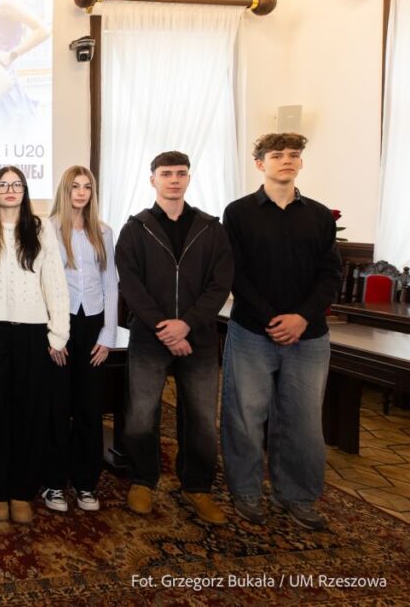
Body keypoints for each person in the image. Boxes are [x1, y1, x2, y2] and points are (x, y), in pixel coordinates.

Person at [221, 133, 341, 530]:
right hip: (253, 331)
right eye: (277, 155)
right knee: (244, 416)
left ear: (301, 163)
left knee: (303, 421)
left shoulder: (321, 216)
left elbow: (330, 275)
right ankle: (246, 492)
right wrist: (273, 318)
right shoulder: (238, 213)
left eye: (294, 155)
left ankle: (298, 496)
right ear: (260, 164)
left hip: (308, 336)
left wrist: (302, 317)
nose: (286, 161)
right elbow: (235, 272)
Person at [114, 151, 233, 525]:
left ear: (188, 178)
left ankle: (197, 487)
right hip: (150, 337)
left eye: (181, 173)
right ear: (153, 179)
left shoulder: (211, 228)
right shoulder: (136, 228)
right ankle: (142, 480)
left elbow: (220, 284)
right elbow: (130, 285)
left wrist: (188, 325)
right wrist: (165, 326)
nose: (174, 180)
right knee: (141, 414)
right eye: (166, 173)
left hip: (198, 338)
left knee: (199, 416)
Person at [0, 167, 69, 525]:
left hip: (32, 332)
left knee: (29, 413)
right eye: (3, 185)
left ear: (25, 190)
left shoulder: (41, 228)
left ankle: (21, 491)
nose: (10, 190)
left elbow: (55, 283)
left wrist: (58, 333)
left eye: (17, 185)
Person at [42, 166, 118, 513]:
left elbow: (111, 286)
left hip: (93, 327)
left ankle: (86, 484)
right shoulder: (47, 228)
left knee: (89, 409)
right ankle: (54, 484)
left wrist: (108, 335)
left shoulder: (103, 231)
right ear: (65, 189)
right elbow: (40, 283)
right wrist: (50, 335)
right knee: (57, 409)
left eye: (87, 186)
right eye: (75, 186)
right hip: (60, 326)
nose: (82, 192)